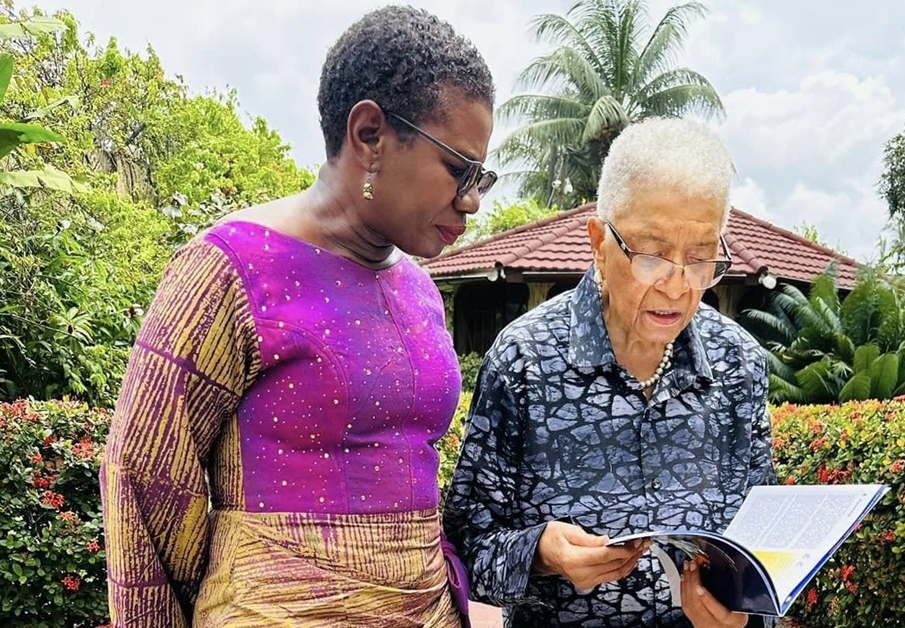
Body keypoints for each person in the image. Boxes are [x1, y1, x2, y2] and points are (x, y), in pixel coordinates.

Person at [99, 6, 496, 627]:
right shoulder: (230, 268)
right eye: (458, 168)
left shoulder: (419, 288)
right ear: (369, 134)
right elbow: (145, 478)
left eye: (482, 176)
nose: (471, 200)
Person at [445, 117, 776, 627]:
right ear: (599, 242)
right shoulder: (525, 360)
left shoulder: (739, 366)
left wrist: (744, 618)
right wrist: (540, 551)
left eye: (702, 258)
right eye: (652, 255)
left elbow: (762, 553)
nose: (677, 285)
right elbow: (465, 546)